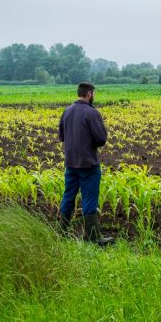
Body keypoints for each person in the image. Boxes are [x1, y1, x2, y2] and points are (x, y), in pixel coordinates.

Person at [58, 82, 114, 245]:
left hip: (70, 162)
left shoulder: (67, 111)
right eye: (93, 93)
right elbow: (101, 139)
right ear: (89, 94)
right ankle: (93, 236)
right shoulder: (91, 113)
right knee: (90, 198)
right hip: (88, 164)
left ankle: (62, 233)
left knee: (68, 196)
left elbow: (62, 136)